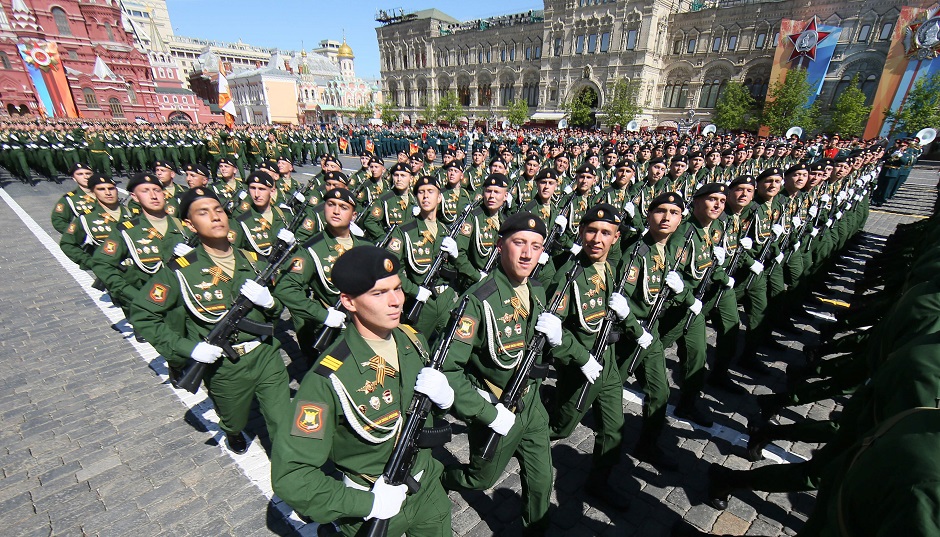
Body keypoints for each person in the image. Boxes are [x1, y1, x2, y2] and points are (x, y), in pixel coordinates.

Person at [271, 245, 455, 536]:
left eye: (397, 288)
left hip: (427, 488)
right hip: (374, 504)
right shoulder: (327, 377)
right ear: (349, 302)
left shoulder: (413, 339)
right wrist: (368, 503)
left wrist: (448, 398)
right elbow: (292, 476)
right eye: (379, 294)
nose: (395, 301)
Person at [130, 187, 293, 454]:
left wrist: (271, 303)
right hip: (224, 366)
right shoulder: (181, 270)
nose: (215, 217)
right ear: (189, 223)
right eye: (203, 213)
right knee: (234, 418)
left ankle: (290, 471)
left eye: (218, 210)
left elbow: (276, 308)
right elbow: (144, 315)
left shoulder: (253, 261)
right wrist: (188, 349)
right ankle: (231, 430)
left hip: (265, 354)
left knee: (282, 419)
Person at [441, 212, 557, 535]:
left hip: (532, 406)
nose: (526, 253)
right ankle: (441, 477)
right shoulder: (478, 300)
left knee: (541, 479)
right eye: (519, 243)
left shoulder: (537, 290)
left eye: (535, 246)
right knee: (482, 479)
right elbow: (447, 370)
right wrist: (486, 412)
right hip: (498, 408)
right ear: (499, 245)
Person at [546, 203, 635, 510]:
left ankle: (599, 484)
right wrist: (582, 359)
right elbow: (554, 330)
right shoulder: (569, 274)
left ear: (615, 237)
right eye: (591, 231)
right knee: (562, 428)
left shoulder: (611, 266)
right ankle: (526, 441)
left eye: (605, 233)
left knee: (613, 429)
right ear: (581, 232)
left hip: (607, 364)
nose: (597, 239)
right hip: (580, 367)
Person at [276, 187, 368, 359]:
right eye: (331, 204)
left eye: (343, 207)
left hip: (365, 324)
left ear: (354, 216)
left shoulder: (365, 246)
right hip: (335, 327)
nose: (336, 211)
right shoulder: (311, 248)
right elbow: (285, 288)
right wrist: (323, 315)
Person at [88, 172, 192, 318]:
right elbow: (101, 264)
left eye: (156, 190)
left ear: (164, 194)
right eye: (145, 191)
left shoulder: (183, 228)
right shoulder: (128, 231)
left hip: (183, 305)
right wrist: (131, 294)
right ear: (135, 197)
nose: (153, 196)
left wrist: (192, 256)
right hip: (150, 308)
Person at [59, 173, 133, 271]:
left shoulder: (132, 213)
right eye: (101, 189)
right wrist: (91, 262)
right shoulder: (86, 218)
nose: (108, 193)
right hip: (111, 273)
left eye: (111, 188)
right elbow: (67, 243)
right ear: (93, 193)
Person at [231, 171, 290, 259]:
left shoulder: (284, 214)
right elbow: (233, 253)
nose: (256, 194)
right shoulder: (241, 220)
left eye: (262, 189)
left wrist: (293, 244)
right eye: (253, 188)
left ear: (272, 191)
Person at [51, 162, 97, 234]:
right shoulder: (70, 199)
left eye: (88, 173)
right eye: (80, 174)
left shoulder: (107, 192)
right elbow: (58, 221)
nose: (86, 177)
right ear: (74, 178)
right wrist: (78, 233)